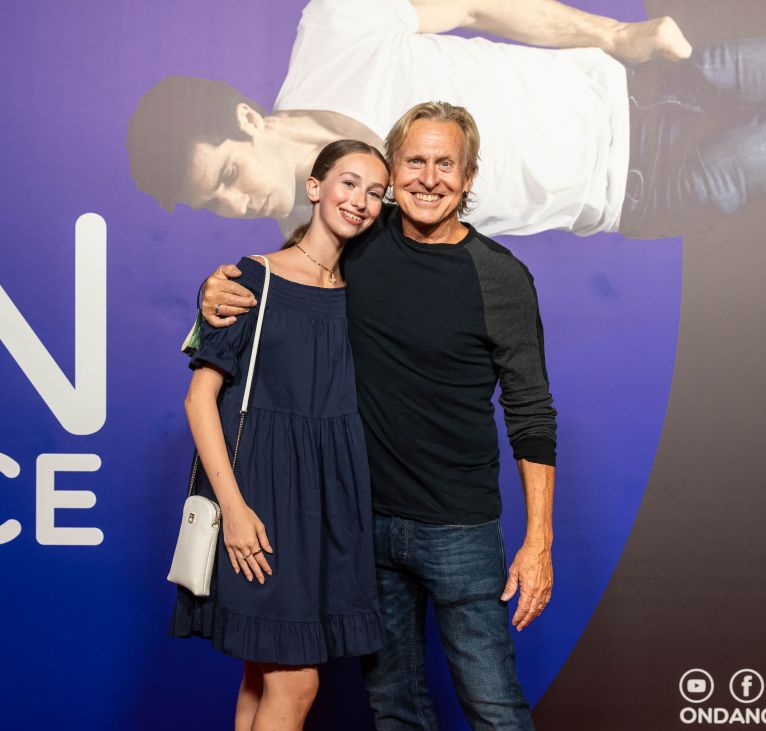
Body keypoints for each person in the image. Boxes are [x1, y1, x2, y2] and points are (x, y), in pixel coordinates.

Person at [202, 102, 556, 729]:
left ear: (469, 176)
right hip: (361, 523)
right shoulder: (359, 240)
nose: (429, 178)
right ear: (393, 171)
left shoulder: (500, 278)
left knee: (493, 704)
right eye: (414, 162)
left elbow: (531, 415)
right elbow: (285, 275)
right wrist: (216, 289)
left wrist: (538, 541)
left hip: (459, 527)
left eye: (446, 164)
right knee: (394, 707)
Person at [128, 0, 766, 240]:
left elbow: (474, 4)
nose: (235, 205)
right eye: (214, 204)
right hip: (645, 189)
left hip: (642, 80)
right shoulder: (322, 247)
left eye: (228, 175)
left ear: (248, 119)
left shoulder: (333, 32)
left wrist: (617, 33)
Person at [175, 139, 390, 731]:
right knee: (295, 682)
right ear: (315, 187)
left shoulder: (364, 291)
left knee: (260, 678)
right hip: (263, 499)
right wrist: (235, 510)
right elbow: (199, 400)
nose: (361, 200)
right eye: (349, 183)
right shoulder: (252, 278)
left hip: (330, 502)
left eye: (376, 192)